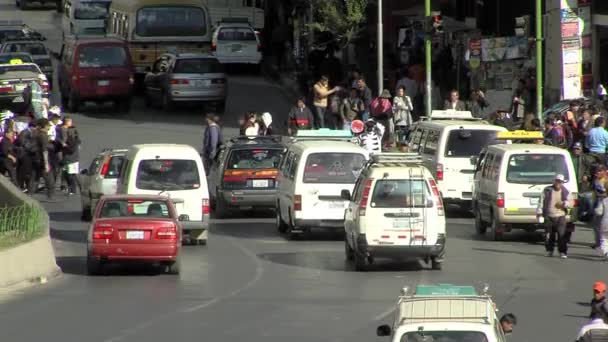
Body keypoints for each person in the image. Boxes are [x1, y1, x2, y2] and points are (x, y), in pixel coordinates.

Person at [537, 174, 573, 258]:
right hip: (549, 216)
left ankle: (562, 252)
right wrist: (539, 212)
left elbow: (571, 203)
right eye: (557, 181)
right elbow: (541, 201)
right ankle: (550, 250)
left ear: (562, 183)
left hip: (560, 216)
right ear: (554, 181)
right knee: (549, 235)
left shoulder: (565, 191)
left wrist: (565, 204)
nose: (558, 183)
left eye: (560, 182)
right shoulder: (547, 190)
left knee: (561, 235)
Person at [30, 118, 54, 200]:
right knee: (49, 179)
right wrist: (46, 163)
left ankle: (30, 195)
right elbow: (44, 150)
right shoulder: (43, 135)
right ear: (45, 126)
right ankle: (50, 196)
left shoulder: (35, 133)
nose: (49, 127)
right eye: (48, 125)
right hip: (41, 160)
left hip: (34, 158)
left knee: (34, 178)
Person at [572, 142, 594, 222]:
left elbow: (590, 168)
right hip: (571, 180)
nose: (576, 150)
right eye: (575, 148)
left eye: (578, 149)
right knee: (573, 197)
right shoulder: (570, 157)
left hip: (581, 181)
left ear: (581, 149)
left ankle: (581, 214)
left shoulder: (585, 158)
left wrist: (587, 175)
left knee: (583, 198)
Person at [62, 116, 81, 195]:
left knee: (71, 174)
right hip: (71, 157)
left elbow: (71, 147)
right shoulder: (66, 131)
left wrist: (65, 145)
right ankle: (72, 188)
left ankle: (73, 189)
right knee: (69, 173)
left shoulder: (72, 136)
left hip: (71, 157)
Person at [594, 186, 608, 260]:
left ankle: (606, 253)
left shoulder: (604, 201)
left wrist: (595, 210)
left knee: (604, 239)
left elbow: (599, 212)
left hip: (605, 223)